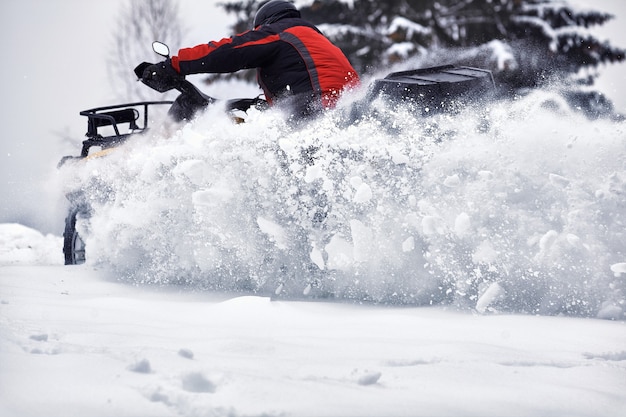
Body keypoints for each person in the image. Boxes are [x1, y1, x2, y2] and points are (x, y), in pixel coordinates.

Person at [143, 0, 360, 118]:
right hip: (338, 110)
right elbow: (300, 82)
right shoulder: (314, 41)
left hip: (315, 110)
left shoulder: (281, 33)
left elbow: (231, 51)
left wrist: (175, 65)